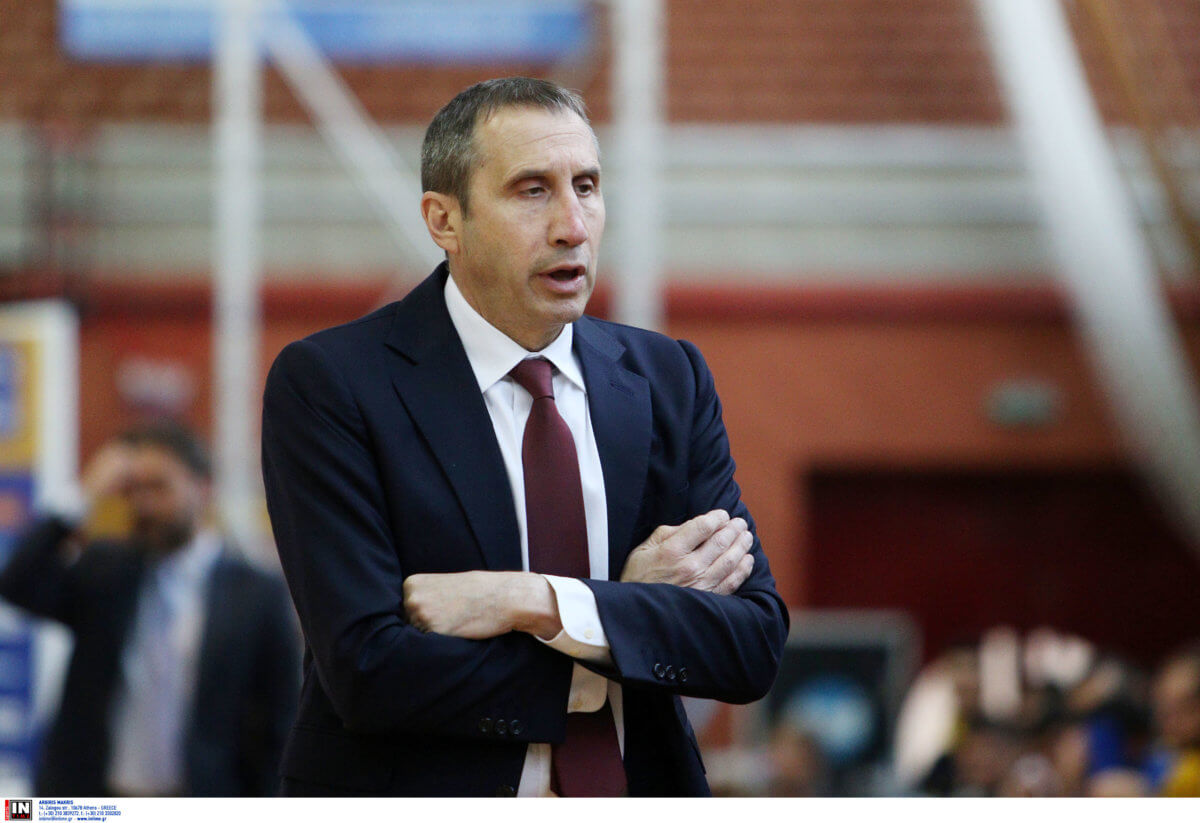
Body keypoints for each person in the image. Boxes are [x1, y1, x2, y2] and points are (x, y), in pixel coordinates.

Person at [261, 76, 789, 797]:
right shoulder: (334, 383)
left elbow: (750, 643)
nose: (573, 225)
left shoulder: (669, 377)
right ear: (445, 220)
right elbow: (370, 670)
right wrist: (619, 619)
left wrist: (534, 601)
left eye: (587, 186)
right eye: (532, 191)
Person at [0, 422, 300, 797]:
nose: (144, 504)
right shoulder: (106, 570)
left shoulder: (256, 594)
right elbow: (18, 584)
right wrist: (83, 493)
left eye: (158, 487)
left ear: (203, 488)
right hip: (96, 800)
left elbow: (280, 720)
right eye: (135, 489)